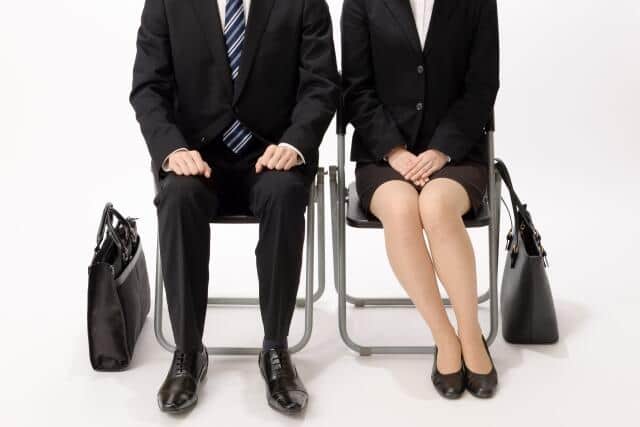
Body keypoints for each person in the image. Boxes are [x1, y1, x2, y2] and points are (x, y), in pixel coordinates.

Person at [130, 0, 338, 414]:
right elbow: (148, 88)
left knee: (284, 194)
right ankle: (188, 352)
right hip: (198, 157)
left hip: (272, 155)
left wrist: (294, 143)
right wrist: (172, 150)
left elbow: (321, 84)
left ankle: (276, 349)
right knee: (178, 197)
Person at [341, 0, 500, 399]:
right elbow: (356, 88)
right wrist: (394, 150)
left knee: (435, 205)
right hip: (384, 154)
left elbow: (482, 85)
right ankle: (444, 337)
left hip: (456, 152)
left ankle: (470, 334)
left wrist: (443, 149)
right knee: (401, 209)